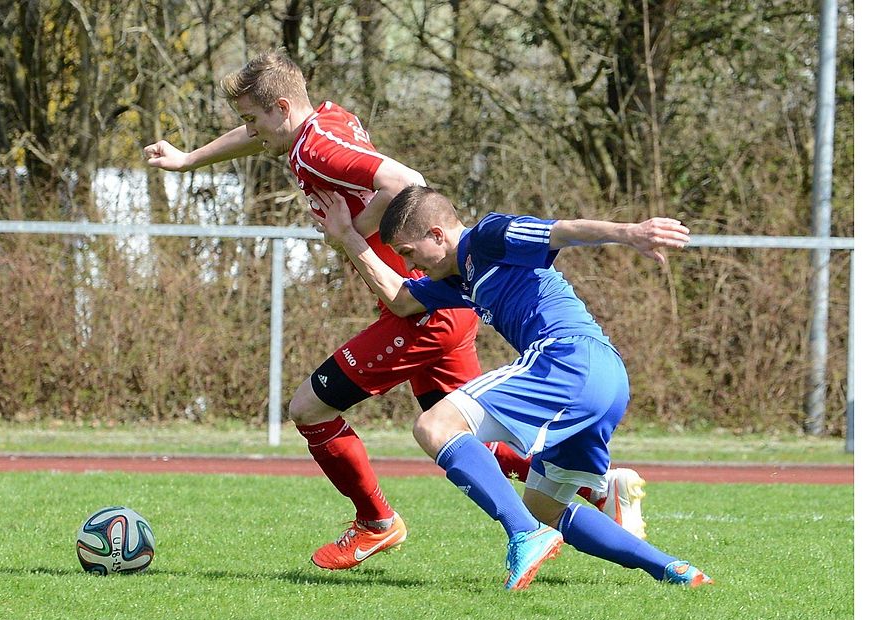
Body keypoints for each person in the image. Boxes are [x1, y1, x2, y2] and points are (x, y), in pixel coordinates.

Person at [142, 49, 644, 571]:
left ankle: (376, 522)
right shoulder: (318, 125)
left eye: (252, 118)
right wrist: (188, 158)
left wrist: (352, 234)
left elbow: (406, 179)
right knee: (469, 438)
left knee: (309, 409)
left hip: (420, 310)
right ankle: (601, 488)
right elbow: (259, 136)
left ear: (283, 109)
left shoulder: (317, 151)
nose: (249, 130)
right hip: (435, 308)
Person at [312, 184, 713, 590]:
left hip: (566, 359)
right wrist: (347, 237)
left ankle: (525, 535)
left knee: (435, 426)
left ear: (437, 234)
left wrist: (632, 233)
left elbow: (563, 230)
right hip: (605, 380)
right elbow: (400, 299)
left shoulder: (489, 237)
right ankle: (673, 570)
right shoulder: (458, 279)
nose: (409, 263)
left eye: (409, 252)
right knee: (545, 509)